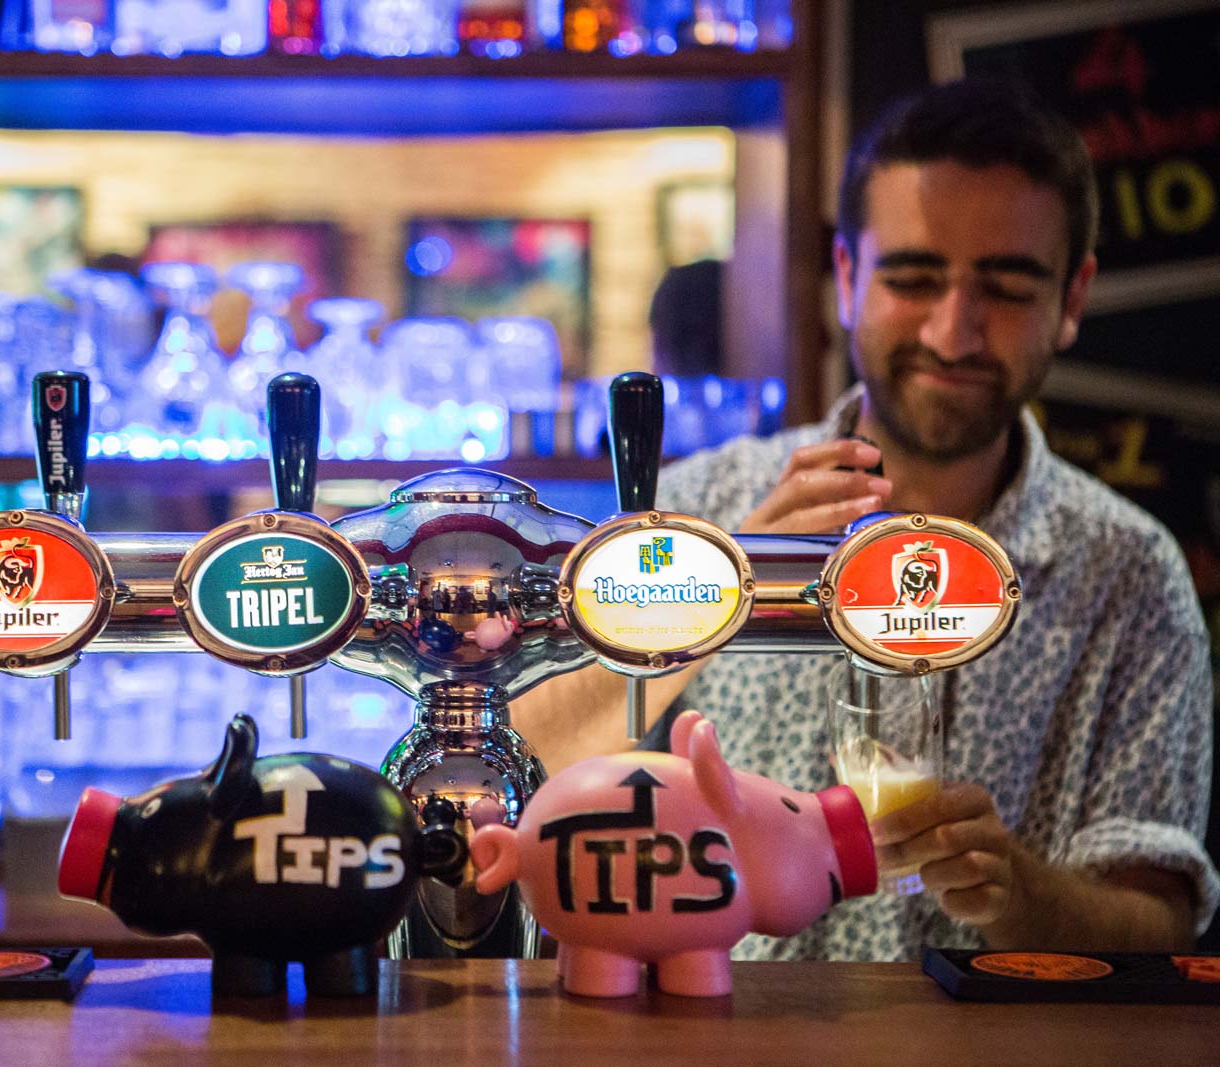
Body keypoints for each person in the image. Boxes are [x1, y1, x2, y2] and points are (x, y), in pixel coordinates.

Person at [512, 78, 1218, 961]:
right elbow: (521, 756)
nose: (954, 331)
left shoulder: (1129, 574)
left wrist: (1016, 889)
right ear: (846, 278)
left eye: (1005, 286)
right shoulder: (705, 512)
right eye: (914, 277)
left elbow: (1161, 916)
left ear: (1072, 298)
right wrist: (714, 598)